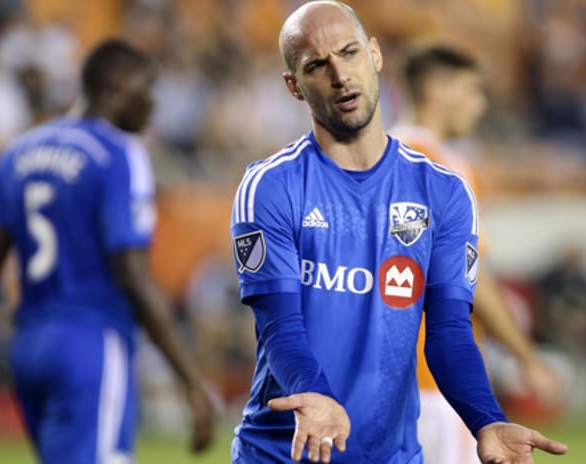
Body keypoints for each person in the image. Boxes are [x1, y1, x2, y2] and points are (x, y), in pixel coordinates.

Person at [229, 2, 568, 463]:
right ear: (294, 86)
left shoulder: (443, 190)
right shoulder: (271, 186)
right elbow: (281, 327)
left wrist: (486, 419)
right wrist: (315, 395)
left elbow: (450, 331)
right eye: (316, 66)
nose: (340, 75)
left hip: (392, 454)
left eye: (349, 53)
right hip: (280, 453)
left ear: (375, 55)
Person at [0, 39, 215, 463]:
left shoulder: (17, 152)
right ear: (117, 85)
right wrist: (190, 379)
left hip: (29, 346)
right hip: (90, 342)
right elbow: (132, 272)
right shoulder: (118, 153)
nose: (152, 107)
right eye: (146, 91)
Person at [390, 45, 563, 464]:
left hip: (378, 380)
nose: (480, 105)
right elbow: (469, 278)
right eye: (471, 91)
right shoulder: (443, 167)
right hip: (438, 379)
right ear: (436, 89)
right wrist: (528, 358)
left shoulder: (374, 159)